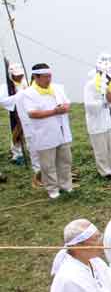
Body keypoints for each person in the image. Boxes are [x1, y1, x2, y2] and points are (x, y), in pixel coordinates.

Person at [21, 63, 73, 199]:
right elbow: (32, 113)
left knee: (65, 161)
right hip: (44, 134)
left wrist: (65, 107)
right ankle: (52, 190)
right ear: (36, 77)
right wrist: (55, 111)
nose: (48, 79)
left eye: (49, 76)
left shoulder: (57, 88)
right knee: (48, 165)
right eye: (45, 77)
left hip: (62, 131)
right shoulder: (28, 93)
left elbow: (67, 102)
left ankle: (66, 186)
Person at [83, 60, 111, 178]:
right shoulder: (90, 85)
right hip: (97, 123)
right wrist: (106, 100)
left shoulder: (109, 85)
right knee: (101, 150)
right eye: (108, 77)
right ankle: (105, 172)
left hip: (110, 121)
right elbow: (89, 106)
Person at [2, 62, 40, 181]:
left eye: (20, 75)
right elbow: (3, 101)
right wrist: (19, 97)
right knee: (16, 132)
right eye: (16, 75)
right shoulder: (6, 87)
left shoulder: (24, 83)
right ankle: (16, 153)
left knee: (27, 133)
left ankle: (29, 152)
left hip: (26, 111)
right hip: (15, 112)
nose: (19, 77)